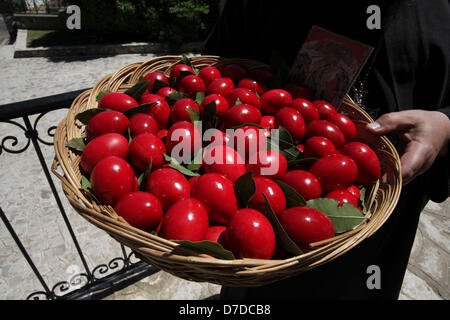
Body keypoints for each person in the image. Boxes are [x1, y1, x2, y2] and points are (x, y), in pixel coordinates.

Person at [202, 0, 450, 299]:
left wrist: (445, 126)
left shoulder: (438, 13)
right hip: (253, 222)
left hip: (371, 229)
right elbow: (213, 76)